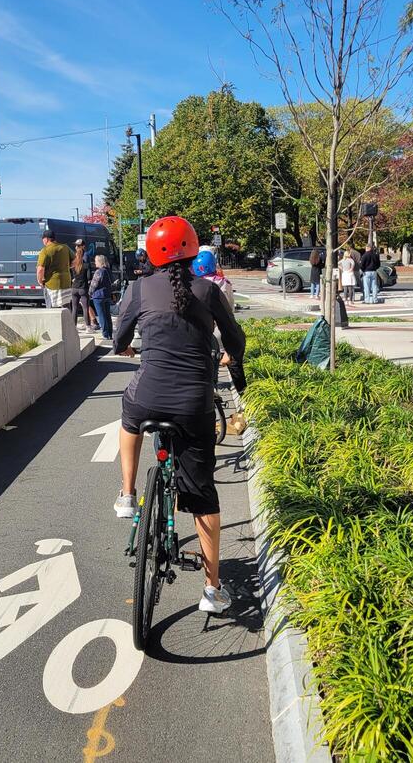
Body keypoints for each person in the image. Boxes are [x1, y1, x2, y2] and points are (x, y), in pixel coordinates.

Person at [112, 216, 246, 614]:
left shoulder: (138, 288)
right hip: (193, 404)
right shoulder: (207, 290)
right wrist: (228, 355)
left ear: (152, 253)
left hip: (148, 395)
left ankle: (128, 494)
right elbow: (235, 339)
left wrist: (130, 350)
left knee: (129, 413)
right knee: (203, 494)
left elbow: (119, 338)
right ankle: (211, 588)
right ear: (192, 249)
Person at [35, 229, 72, 311]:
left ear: (46, 239)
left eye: (43, 239)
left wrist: (40, 281)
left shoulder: (45, 251)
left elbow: (40, 269)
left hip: (51, 284)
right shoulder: (65, 248)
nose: (42, 241)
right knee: (66, 308)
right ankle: (68, 323)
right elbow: (75, 261)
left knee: (52, 310)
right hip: (66, 283)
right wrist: (67, 267)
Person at [70, 240, 97, 332]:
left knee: (74, 308)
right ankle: (88, 327)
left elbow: (72, 276)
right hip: (83, 288)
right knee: (85, 308)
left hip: (74, 288)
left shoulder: (73, 264)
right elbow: (89, 276)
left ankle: (73, 326)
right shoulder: (85, 264)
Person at [89, 254, 114, 340]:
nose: (95, 263)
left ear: (100, 262)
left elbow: (94, 284)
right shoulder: (108, 271)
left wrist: (89, 293)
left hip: (98, 296)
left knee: (101, 316)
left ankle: (105, 334)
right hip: (107, 295)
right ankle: (110, 333)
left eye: (96, 261)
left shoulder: (99, 271)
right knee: (107, 315)